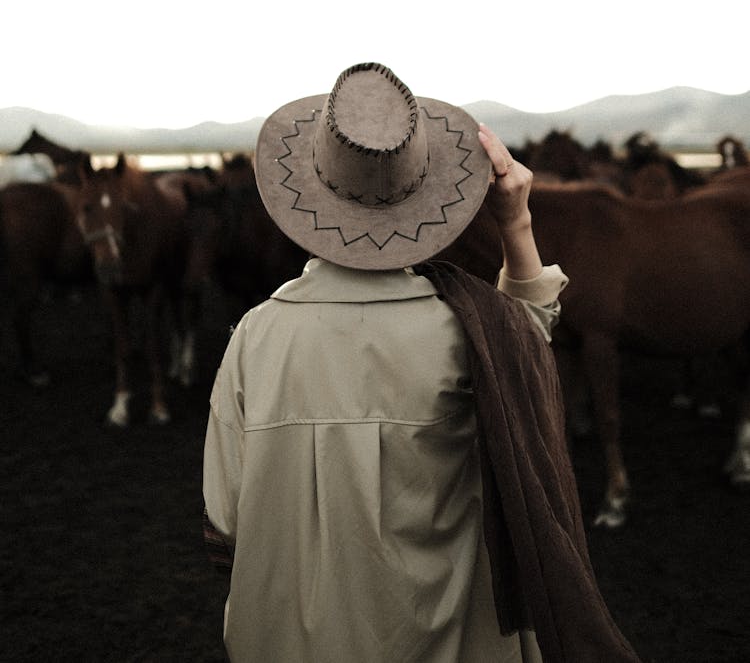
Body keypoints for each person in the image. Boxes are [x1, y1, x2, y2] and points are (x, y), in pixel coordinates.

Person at [203, 62, 641, 663]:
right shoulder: (469, 328)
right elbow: (527, 349)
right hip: (451, 641)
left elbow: (226, 516)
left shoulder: (255, 337)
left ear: (307, 195)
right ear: (425, 197)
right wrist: (516, 221)